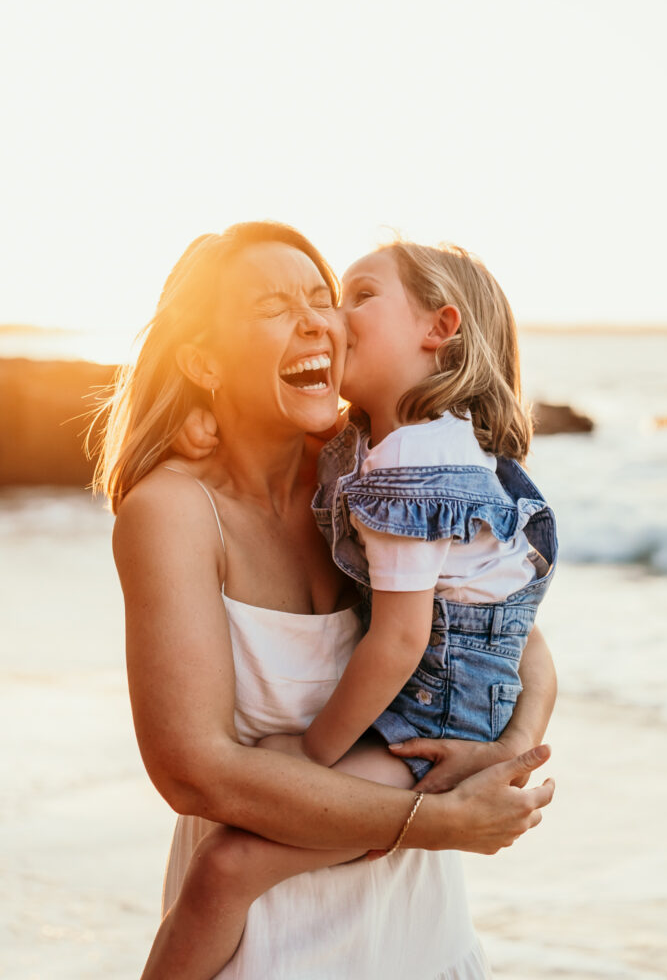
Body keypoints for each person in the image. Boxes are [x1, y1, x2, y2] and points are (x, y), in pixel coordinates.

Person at [94, 222, 556, 980]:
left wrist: (509, 750)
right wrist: (436, 821)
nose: (317, 320)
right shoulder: (173, 511)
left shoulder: (368, 479)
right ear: (203, 359)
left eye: (323, 298)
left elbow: (518, 640)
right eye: (275, 306)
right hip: (269, 943)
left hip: (420, 935)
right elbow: (192, 769)